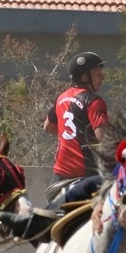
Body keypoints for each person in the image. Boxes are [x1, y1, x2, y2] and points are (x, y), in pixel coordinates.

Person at [45, 51, 109, 199]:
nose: (102, 77)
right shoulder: (94, 101)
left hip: (59, 177)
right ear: (84, 77)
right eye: (98, 74)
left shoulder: (62, 97)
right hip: (87, 177)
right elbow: (104, 140)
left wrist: (71, 137)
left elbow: (47, 126)